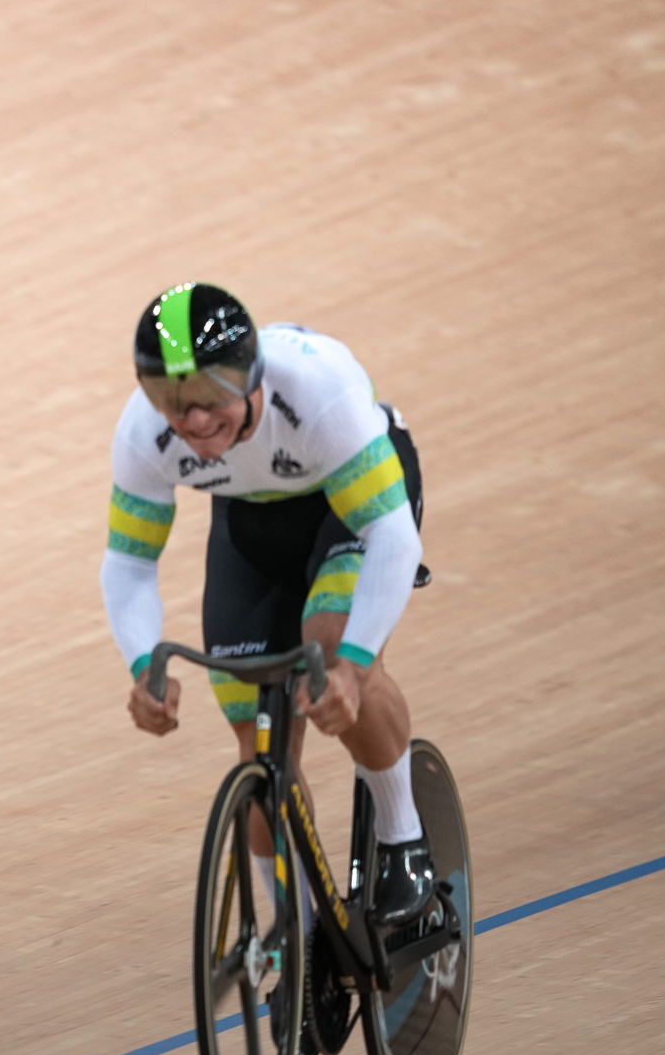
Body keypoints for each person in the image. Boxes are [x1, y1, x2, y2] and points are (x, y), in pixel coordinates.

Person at [99, 283, 434, 933]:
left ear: (252, 373)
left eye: (212, 392)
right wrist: (144, 664)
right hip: (252, 522)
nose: (193, 418)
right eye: (171, 398)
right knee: (259, 747)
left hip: (354, 506)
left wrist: (354, 665)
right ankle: (297, 931)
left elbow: (392, 535)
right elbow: (130, 562)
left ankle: (403, 836)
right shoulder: (144, 435)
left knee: (331, 649)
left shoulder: (316, 391)